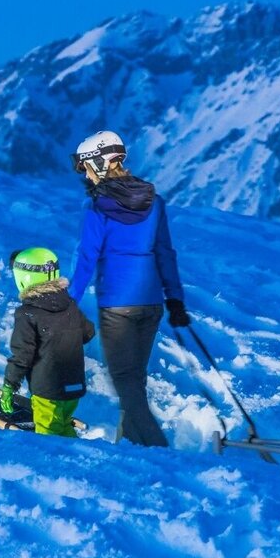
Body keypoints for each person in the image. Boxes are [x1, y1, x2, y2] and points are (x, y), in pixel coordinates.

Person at [65, 130, 188, 448]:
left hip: (118, 305)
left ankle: (161, 451)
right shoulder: (154, 202)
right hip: (151, 303)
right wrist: (175, 298)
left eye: (86, 168)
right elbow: (165, 253)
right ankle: (134, 445)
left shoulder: (97, 207)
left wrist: (68, 301)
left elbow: (86, 257)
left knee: (124, 380)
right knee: (134, 378)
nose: (86, 176)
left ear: (98, 163)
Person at [1, 247, 95, 438]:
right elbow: (88, 333)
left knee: (48, 436)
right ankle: (79, 455)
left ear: (24, 277)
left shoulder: (28, 313)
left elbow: (22, 355)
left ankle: (58, 459)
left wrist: (10, 385)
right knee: (64, 427)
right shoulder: (69, 305)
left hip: (48, 391)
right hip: (74, 386)